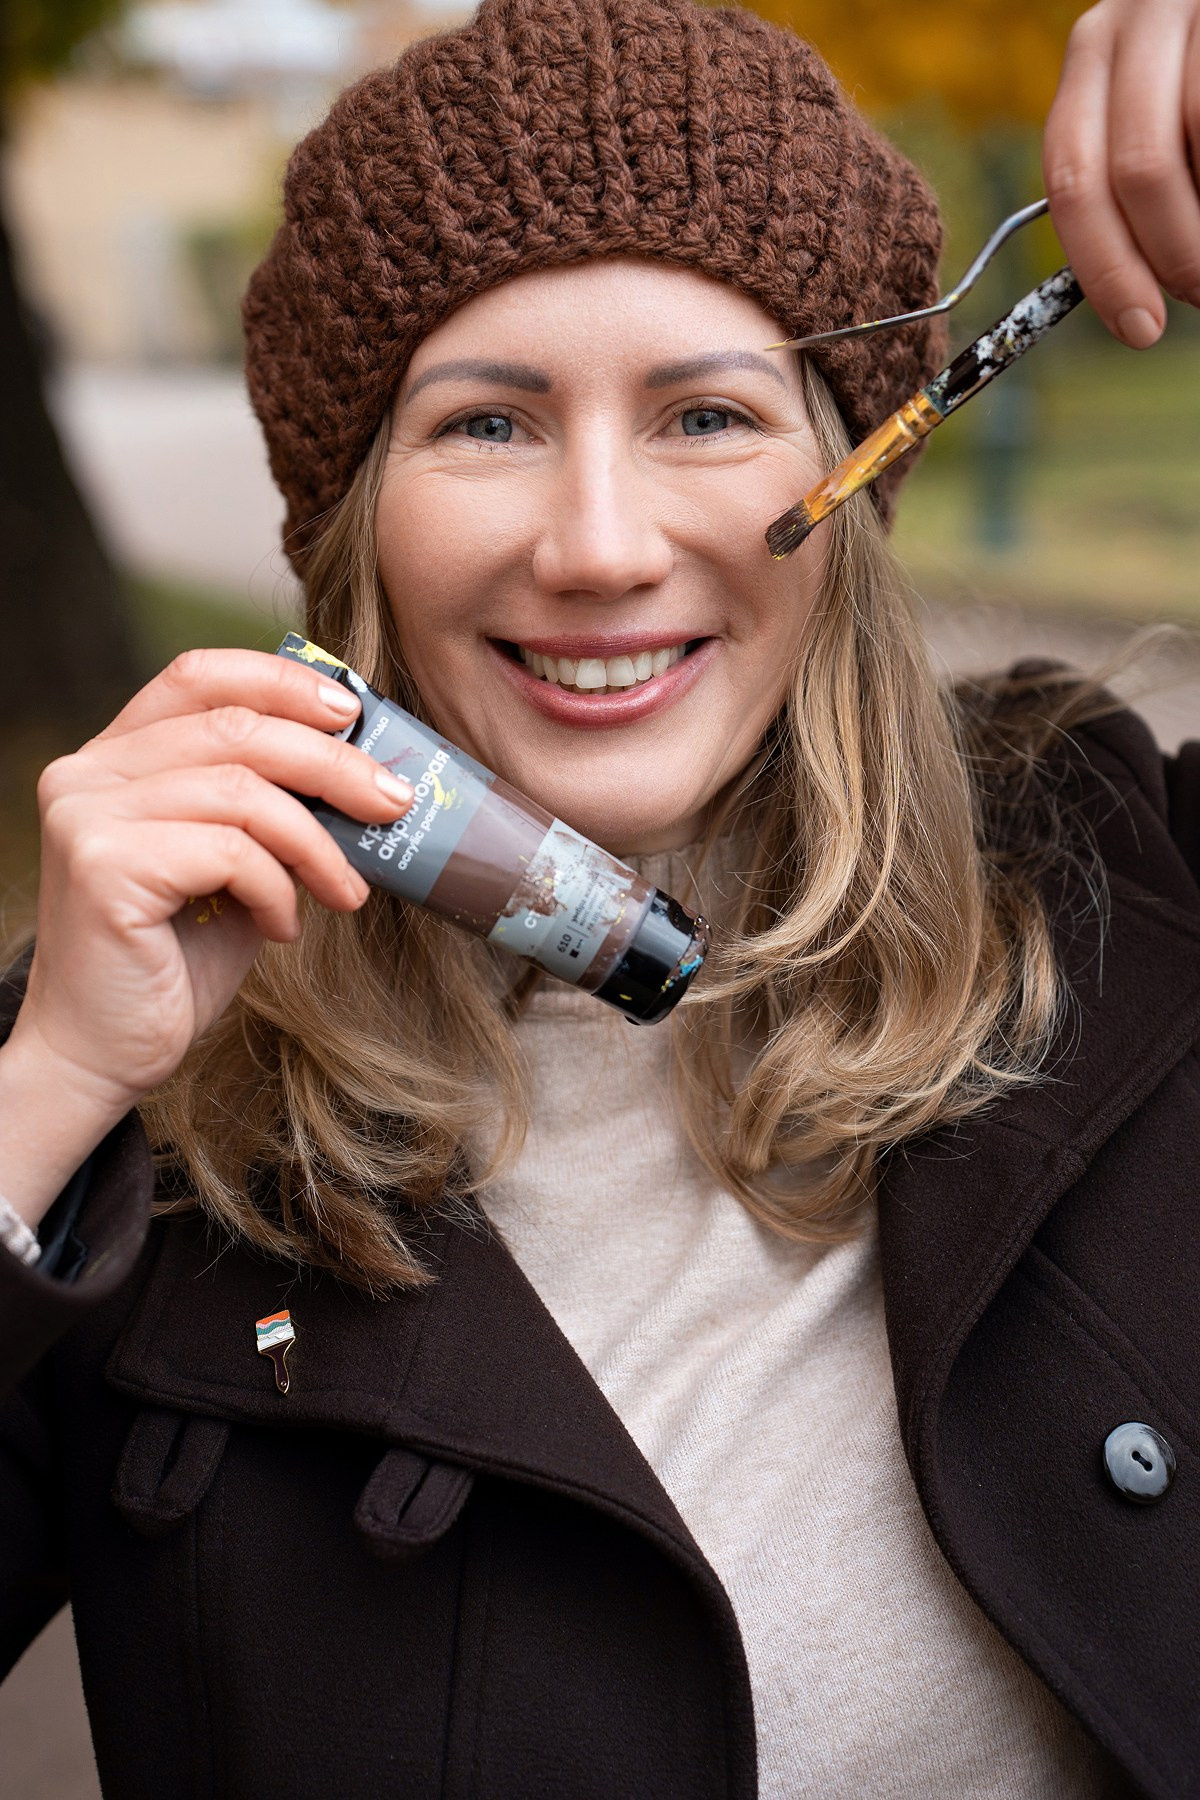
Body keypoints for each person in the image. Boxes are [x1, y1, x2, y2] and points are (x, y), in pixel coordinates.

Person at [1, 0, 1197, 1793]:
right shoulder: (115, 1084)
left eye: (708, 413)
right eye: (488, 426)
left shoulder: (1122, 880)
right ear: (353, 522)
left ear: (857, 471)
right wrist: (45, 1101)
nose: (601, 546)